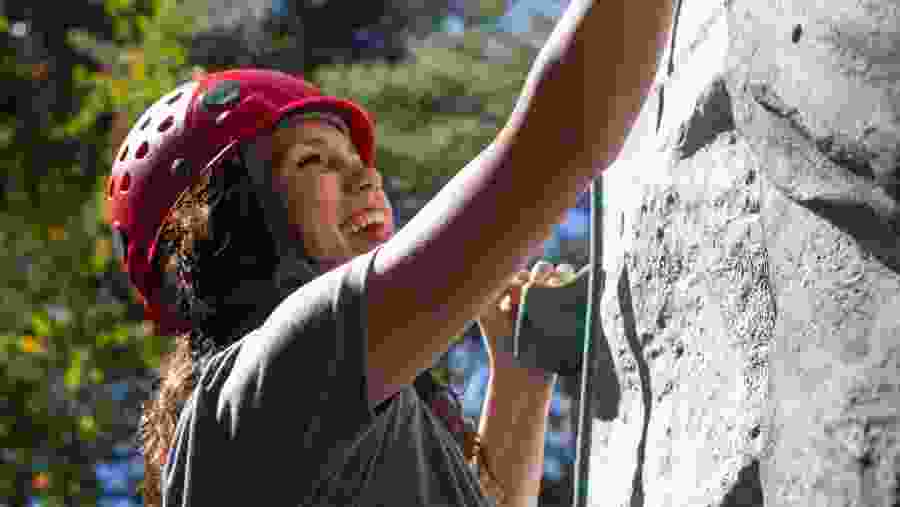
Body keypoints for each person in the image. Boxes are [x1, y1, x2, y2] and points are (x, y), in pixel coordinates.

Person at [105, 1, 673, 505]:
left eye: (358, 159)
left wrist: (520, 375)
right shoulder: (270, 386)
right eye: (314, 160)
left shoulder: (315, 420)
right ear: (224, 220)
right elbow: (553, 143)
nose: (366, 177)